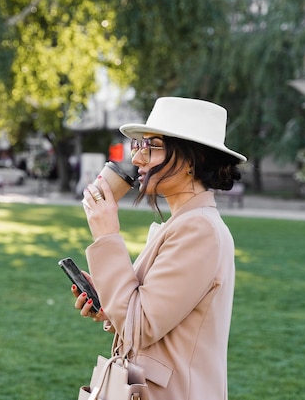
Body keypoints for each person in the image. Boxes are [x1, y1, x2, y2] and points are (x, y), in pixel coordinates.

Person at [73, 97, 247, 400]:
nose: (138, 159)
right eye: (138, 146)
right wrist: (108, 308)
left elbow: (140, 327)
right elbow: (149, 317)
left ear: (193, 159)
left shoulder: (199, 230)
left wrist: (107, 234)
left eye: (151, 146)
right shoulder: (182, 223)